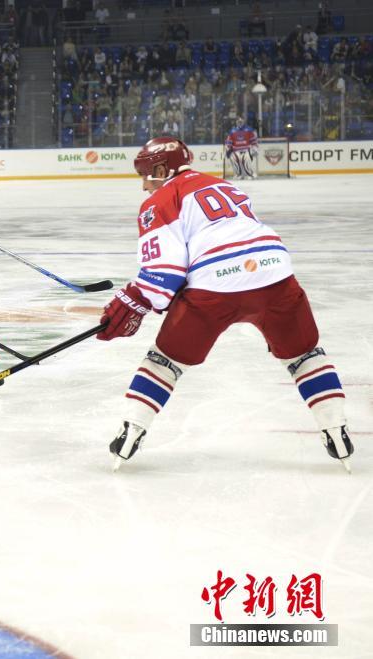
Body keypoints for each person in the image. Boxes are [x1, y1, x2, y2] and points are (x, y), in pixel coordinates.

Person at [97, 136, 353, 472]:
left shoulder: (161, 199)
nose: (144, 185)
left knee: (165, 361)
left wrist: (133, 301)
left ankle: (131, 430)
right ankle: (336, 430)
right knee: (303, 355)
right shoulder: (225, 186)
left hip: (215, 286)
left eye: (146, 175)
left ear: (162, 169)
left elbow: (164, 271)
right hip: (275, 273)